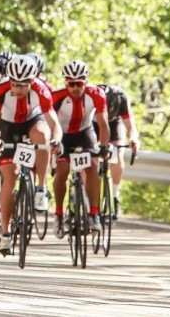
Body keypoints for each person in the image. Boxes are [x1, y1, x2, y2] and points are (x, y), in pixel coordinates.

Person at [0, 55, 62, 254]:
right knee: (10, 176)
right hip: (9, 128)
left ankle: (41, 188)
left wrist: (56, 140)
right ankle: (6, 234)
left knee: (43, 135)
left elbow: (54, 123)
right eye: (14, 84)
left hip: (32, 121)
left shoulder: (41, 89)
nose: (17, 89)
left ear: (32, 81)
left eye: (23, 85)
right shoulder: (0, 90)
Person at [52, 60, 109, 237]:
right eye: (72, 84)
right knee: (62, 171)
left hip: (85, 132)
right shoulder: (56, 97)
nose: (76, 88)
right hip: (63, 135)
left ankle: (93, 214)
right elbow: (48, 122)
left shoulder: (97, 94)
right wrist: (53, 142)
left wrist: (104, 147)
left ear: (86, 81)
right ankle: (59, 214)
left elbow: (103, 124)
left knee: (92, 167)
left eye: (80, 84)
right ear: (65, 82)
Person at [94, 84, 140, 218]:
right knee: (90, 156)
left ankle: (115, 195)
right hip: (93, 123)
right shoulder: (91, 96)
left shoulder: (120, 98)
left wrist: (133, 138)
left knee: (118, 154)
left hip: (115, 123)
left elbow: (131, 126)